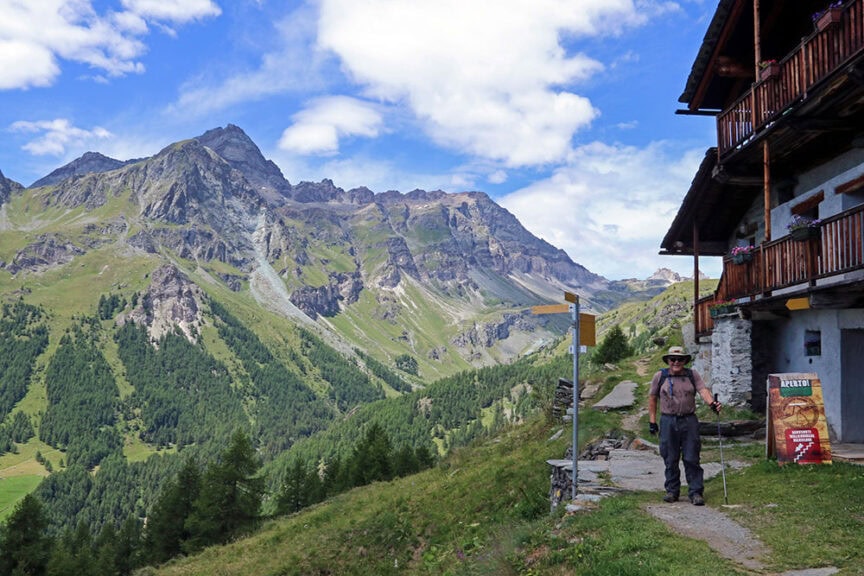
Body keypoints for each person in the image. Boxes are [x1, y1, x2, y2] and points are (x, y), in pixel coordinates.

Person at [647, 346, 721, 506]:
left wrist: (712, 404)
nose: (676, 362)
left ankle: (696, 492)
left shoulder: (691, 375)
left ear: (685, 361)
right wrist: (652, 421)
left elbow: (703, 390)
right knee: (670, 457)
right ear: (668, 360)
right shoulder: (660, 376)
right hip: (668, 421)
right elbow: (652, 398)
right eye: (672, 359)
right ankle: (672, 491)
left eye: (680, 359)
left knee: (691, 456)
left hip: (689, 420)